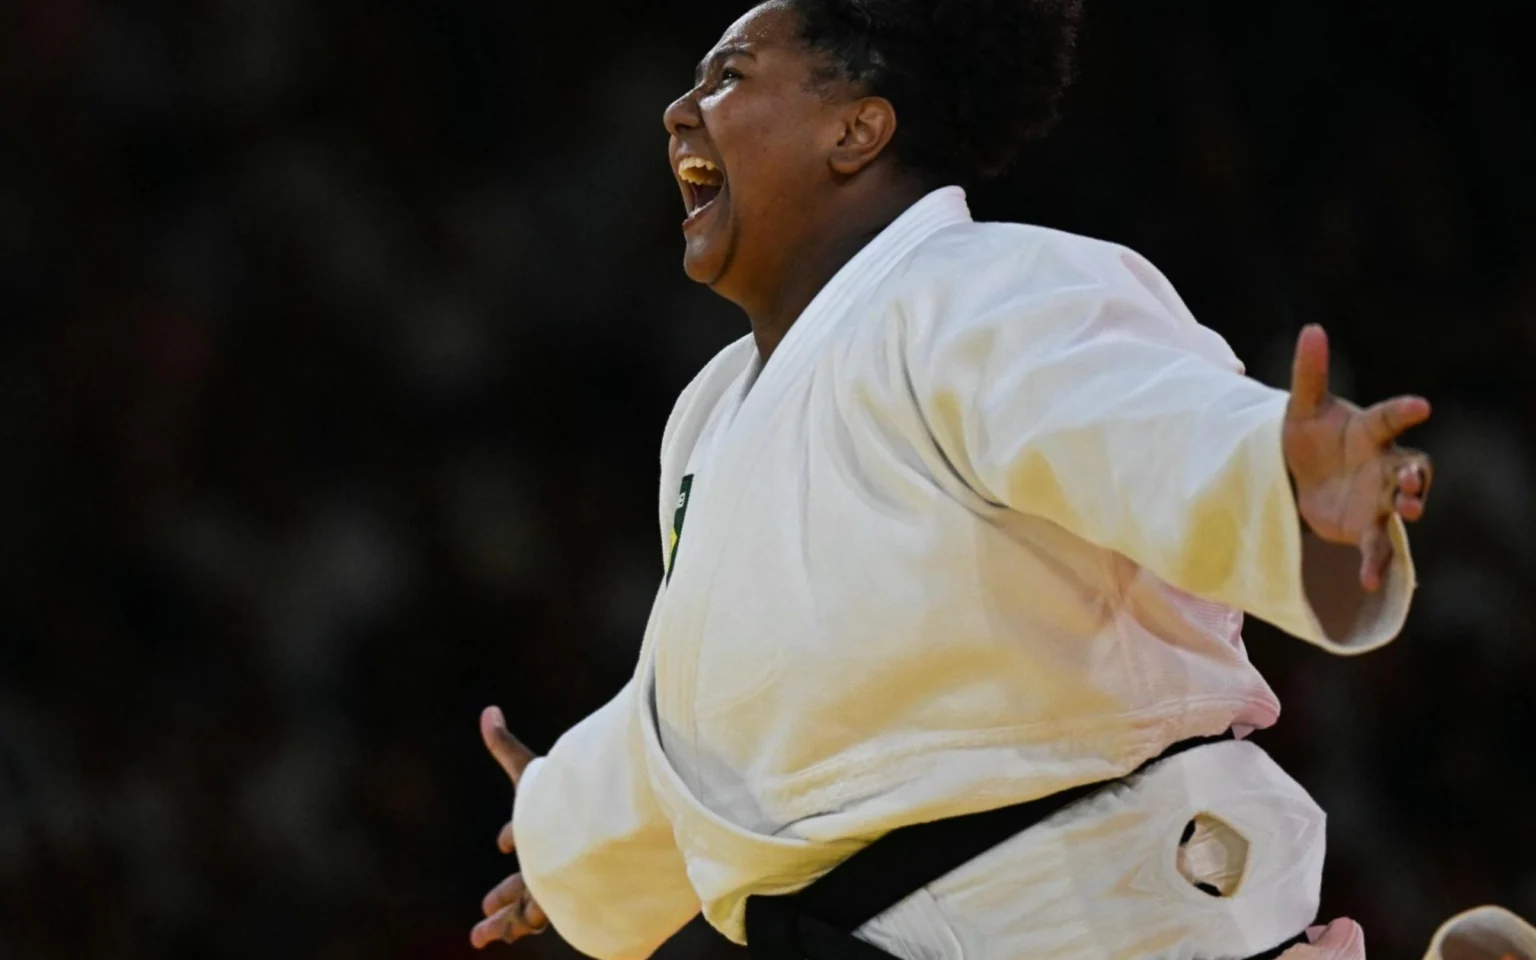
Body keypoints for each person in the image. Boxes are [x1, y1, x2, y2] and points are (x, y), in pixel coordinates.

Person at [470, 1, 1442, 957]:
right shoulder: (710, 415)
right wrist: (578, 839)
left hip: (1103, 917)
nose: (681, 110)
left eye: (728, 76)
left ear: (857, 129)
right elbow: (751, 707)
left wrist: (1291, 487)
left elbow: (1153, 433)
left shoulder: (986, 290)